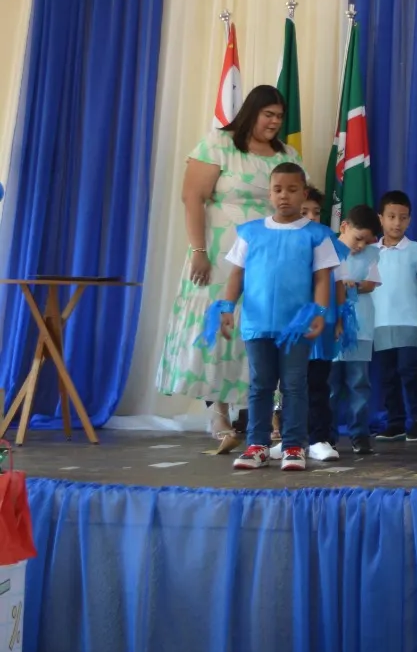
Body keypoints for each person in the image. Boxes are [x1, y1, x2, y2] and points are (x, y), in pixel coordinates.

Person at [155, 85, 301, 451]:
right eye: (268, 114)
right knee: (223, 329)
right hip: (221, 254)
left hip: (269, 257)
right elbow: (192, 197)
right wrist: (198, 250)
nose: (274, 122)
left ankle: (264, 415)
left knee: (263, 328)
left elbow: (299, 201)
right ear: (252, 112)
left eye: (279, 116)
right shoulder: (218, 144)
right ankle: (218, 415)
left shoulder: (287, 155)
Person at [203, 162, 339, 472]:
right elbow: (237, 275)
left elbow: (322, 278)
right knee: (260, 385)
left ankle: (293, 446)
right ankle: (258, 445)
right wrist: (226, 307)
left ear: (303, 194)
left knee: (295, 385)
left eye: (292, 190)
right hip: (258, 323)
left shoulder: (317, 235)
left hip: (296, 326)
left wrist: (319, 312)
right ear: (269, 194)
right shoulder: (251, 232)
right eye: (278, 190)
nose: (284, 196)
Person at [309, 204, 382, 460]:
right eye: (357, 238)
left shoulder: (371, 255)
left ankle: (359, 435)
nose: (361, 245)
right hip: (331, 327)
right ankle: (325, 435)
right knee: (328, 385)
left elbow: (371, 284)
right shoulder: (326, 249)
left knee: (359, 383)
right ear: (344, 227)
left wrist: (353, 285)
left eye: (366, 241)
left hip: (360, 327)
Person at [371, 191, 417, 442]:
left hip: (410, 321)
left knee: (408, 370)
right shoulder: (371, 252)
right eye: (391, 216)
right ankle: (395, 422)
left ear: (409, 220)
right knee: (387, 375)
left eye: (403, 218)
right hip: (380, 322)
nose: (397, 223)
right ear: (381, 218)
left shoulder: (416, 251)